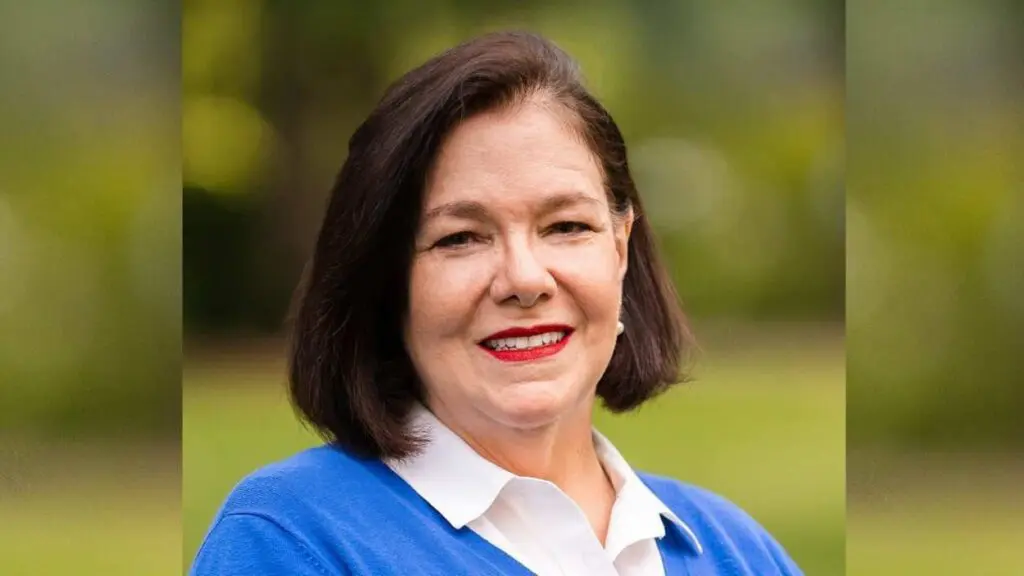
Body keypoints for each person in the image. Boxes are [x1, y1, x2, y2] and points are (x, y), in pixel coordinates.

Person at [190, 31, 803, 576]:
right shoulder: (293, 542)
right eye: (460, 238)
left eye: (566, 226)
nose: (524, 278)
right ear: (386, 282)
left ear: (621, 247)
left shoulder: (736, 552)